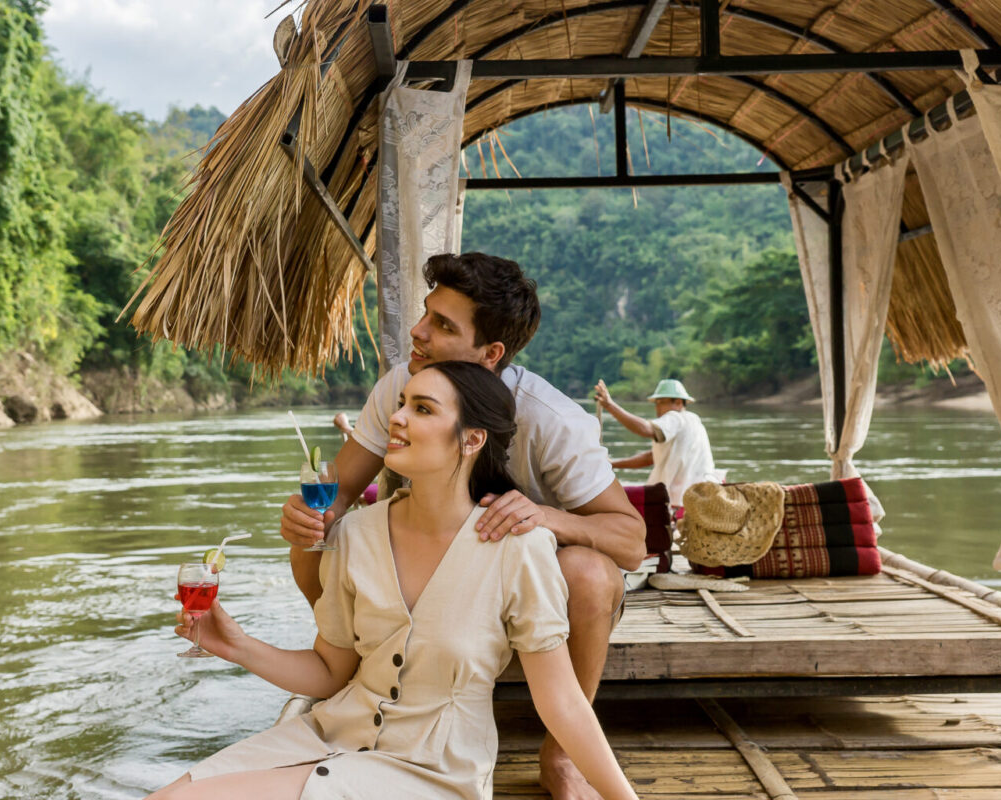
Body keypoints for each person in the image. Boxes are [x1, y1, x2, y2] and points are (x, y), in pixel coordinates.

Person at [146, 362, 640, 800]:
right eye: (401, 403)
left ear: (471, 440)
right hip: (328, 735)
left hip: (433, 770)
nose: (398, 416)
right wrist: (235, 645)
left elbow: (563, 703)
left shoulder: (518, 548)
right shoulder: (355, 534)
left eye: (422, 409)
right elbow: (329, 672)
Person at [281, 252, 645, 800]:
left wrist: (544, 516)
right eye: (426, 313)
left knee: (593, 574)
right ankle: (352, 673)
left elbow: (632, 541)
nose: (418, 332)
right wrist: (308, 515)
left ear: (491, 353)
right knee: (321, 542)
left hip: (522, 573)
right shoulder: (402, 389)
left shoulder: (553, 420)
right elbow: (337, 494)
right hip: (432, 565)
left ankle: (564, 754)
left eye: (443, 326)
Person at [593, 378, 719, 510]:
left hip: (679, 500)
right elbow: (650, 457)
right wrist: (612, 464)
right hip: (701, 495)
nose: (657, 408)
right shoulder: (694, 421)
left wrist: (609, 405)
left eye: (661, 402)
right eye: (656, 403)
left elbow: (645, 429)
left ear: (678, 402)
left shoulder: (675, 417)